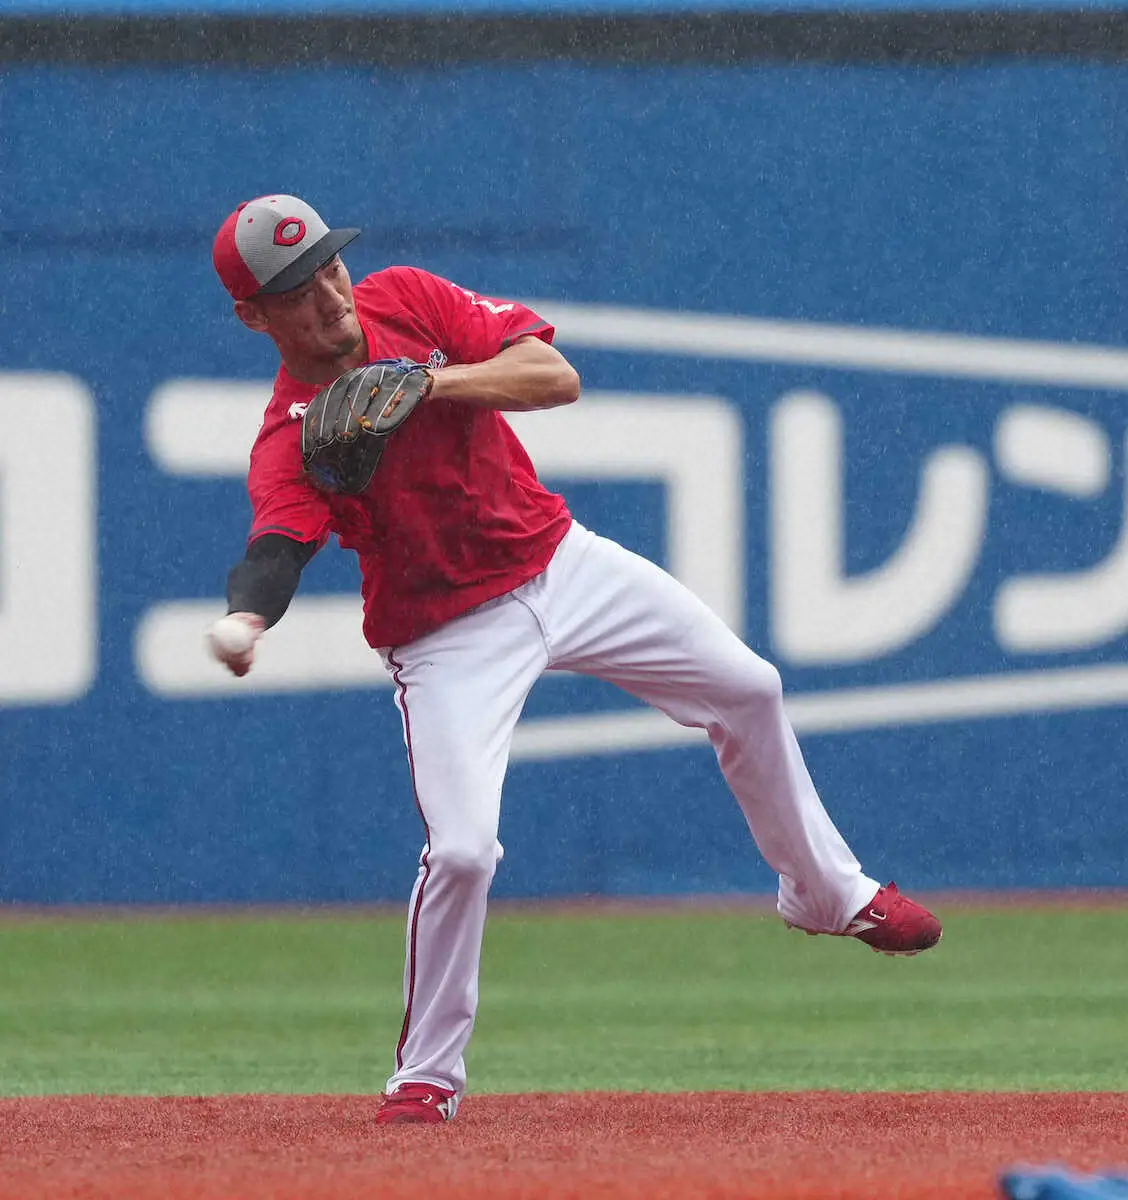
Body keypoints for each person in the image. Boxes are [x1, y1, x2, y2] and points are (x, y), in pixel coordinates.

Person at [207, 193, 942, 1126]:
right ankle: (426, 1075)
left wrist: (434, 384)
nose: (326, 294)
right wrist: (245, 623)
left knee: (749, 687)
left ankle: (827, 892)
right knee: (465, 852)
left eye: (327, 266)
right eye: (294, 289)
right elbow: (276, 547)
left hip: (560, 563)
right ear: (254, 316)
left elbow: (553, 375)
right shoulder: (294, 434)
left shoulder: (410, 301)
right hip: (445, 636)